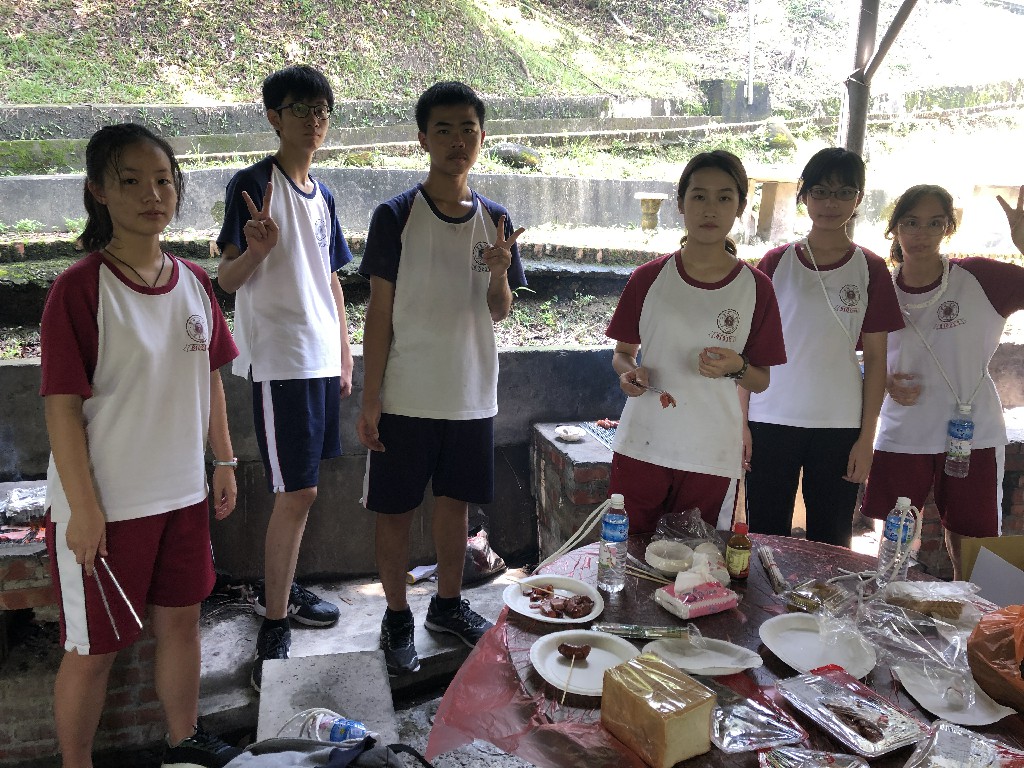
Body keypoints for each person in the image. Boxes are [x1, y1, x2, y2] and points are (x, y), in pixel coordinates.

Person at [41, 124, 240, 768]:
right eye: (131, 181)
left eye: (164, 181)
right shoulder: (80, 289)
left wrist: (224, 459)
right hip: (107, 506)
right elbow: (61, 407)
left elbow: (209, 377)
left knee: (181, 623)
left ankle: (184, 740)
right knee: (93, 649)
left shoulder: (193, 282)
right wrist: (84, 508)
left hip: (182, 495)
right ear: (98, 191)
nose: (153, 195)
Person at [357, 81, 526, 676]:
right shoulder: (395, 215)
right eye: (445, 130)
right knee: (395, 511)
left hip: (471, 393)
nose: (458, 141)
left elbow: (499, 311)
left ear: (483, 136)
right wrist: (370, 397)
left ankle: (447, 606)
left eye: (468, 129)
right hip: (406, 393)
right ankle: (396, 615)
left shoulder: (496, 220)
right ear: (423, 138)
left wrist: (499, 273)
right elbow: (379, 311)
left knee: (455, 508)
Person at [216, 65, 354, 691]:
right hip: (280, 360)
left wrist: (344, 355)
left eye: (322, 109)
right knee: (296, 492)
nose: (313, 119)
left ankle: (283, 588)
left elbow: (332, 282)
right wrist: (257, 251)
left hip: (320, 360)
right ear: (274, 116)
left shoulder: (323, 195)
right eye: (300, 108)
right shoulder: (252, 185)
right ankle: (273, 621)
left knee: (305, 490)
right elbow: (226, 281)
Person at [605, 150, 787, 535]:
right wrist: (630, 373)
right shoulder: (648, 279)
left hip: (711, 452)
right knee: (627, 550)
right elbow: (622, 354)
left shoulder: (756, 289)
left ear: (740, 207)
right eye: (699, 196)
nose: (710, 209)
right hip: (644, 443)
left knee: (696, 560)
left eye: (724, 197)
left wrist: (736, 366)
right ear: (681, 203)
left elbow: (760, 380)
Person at [742, 148, 903, 547]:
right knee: (765, 535)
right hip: (770, 418)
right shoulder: (776, 262)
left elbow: (876, 361)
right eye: (820, 191)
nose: (831, 203)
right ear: (804, 195)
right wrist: (739, 422)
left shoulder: (870, 268)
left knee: (831, 540)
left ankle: (825, 595)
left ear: (858, 198)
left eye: (844, 192)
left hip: (839, 425)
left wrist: (866, 438)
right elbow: (749, 350)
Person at [862, 183, 1024, 579]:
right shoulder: (877, 287)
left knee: (972, 541)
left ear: (948, 228)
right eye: (911, 222)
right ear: (894, 228)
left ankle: (971, 614)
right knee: (894, 538)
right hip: (903, 429)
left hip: (973, 432)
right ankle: (885, 608)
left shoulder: (980, 277)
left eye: (934, 223)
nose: (922, 234)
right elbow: (849, 354)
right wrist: (884, 381)